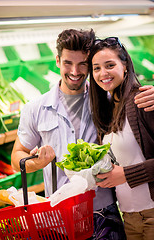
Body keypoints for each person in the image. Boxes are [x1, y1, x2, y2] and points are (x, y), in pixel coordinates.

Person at [11, 29, 154, 239]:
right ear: (58, 61)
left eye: (83, 64)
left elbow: (132, 97)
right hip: (58, 215)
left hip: (105, 211)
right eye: (68, 63)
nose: (75, 71)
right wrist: (36, 163)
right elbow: (18, 156)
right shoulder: (35, 108)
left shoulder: (108, 101)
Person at [88, 37, 154, 240]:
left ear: (125, 66)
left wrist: (127, 174)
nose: (103, 73)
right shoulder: (107, 109)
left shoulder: (143, 101)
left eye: (110, 65)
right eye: (96, 68)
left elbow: (125, 171)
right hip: (129, 217)